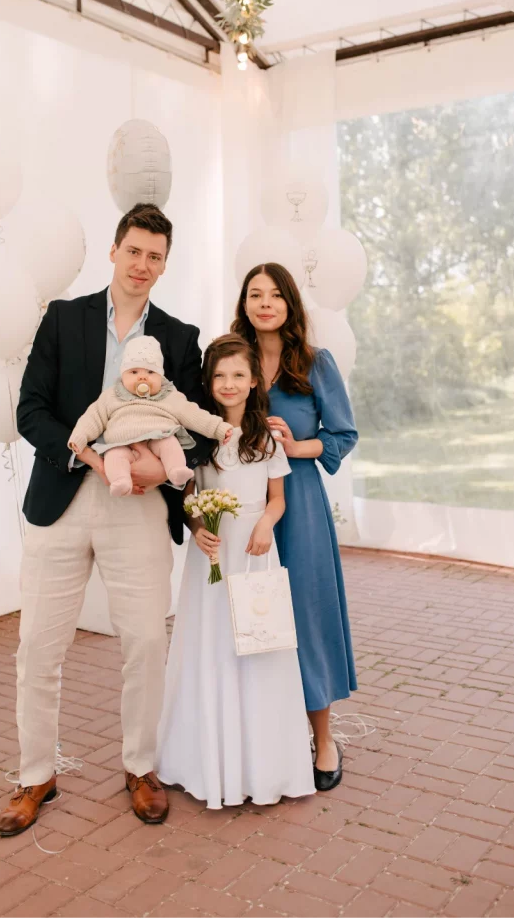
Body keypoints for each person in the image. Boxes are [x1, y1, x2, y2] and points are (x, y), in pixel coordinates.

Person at [0, 203, 212, 837]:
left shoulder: (180, 338)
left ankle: (140, 767)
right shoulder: (64, 319)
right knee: (39, 646)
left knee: (145, 640)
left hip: (140, 504)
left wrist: (155, 472)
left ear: (165, 265)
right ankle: (36, 775)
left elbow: (199, 431)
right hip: (62, 497)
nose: (142, 265)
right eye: (134, 251)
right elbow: (30, 410)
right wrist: (89, 455)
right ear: (114, 251)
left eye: (155, 256)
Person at [157, 334, 315, 808]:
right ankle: (208, 762)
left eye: (238, 375)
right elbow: (188, 495)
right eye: (220, 376)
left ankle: (261, 765)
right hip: (213, 552)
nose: (229, 384)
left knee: (257, 644)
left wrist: (265, 523)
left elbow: (277, 499)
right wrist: (196, 526)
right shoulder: (197, 439)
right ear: (208, 382)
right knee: (213, 645)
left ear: (253, 382)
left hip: (253, 550)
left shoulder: (265, 438)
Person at [232, 263, 358, 792]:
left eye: (275, 295)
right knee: (248, 617)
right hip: (243, 502)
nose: (265, 303)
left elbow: (343, 434)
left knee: (304, 614)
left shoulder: (314, 362)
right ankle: (260, 740)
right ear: (244, 304)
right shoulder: (230, 359)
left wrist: (297, 445)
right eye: (255, 294)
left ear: (290, 303)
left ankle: (323, 739)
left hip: (300, 502)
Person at [68, 335, 232, 496]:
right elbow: (92, 418)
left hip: (159, 437)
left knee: (170, 444)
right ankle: (120, 481)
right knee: (113, 456)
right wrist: (79, 437)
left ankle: (176, 470)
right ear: (122, 375)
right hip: (120, 443)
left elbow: (194, 415)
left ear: (161, 376)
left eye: (150, 372)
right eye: (134, 372)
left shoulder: (169, 395)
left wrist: (218, 428)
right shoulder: (112, 395)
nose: (142, 377)